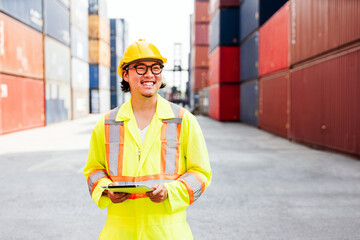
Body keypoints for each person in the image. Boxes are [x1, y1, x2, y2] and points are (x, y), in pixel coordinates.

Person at [83, 39, 212, 239]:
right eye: (141, 68)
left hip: (167, 233)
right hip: (120, 233)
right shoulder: (107, 123)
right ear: (125, 74)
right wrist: (106, 190)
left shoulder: (183, 120)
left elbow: (201, 173)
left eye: (156, 68)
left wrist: (170, 191)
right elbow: (93, 170)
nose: (150, 74)